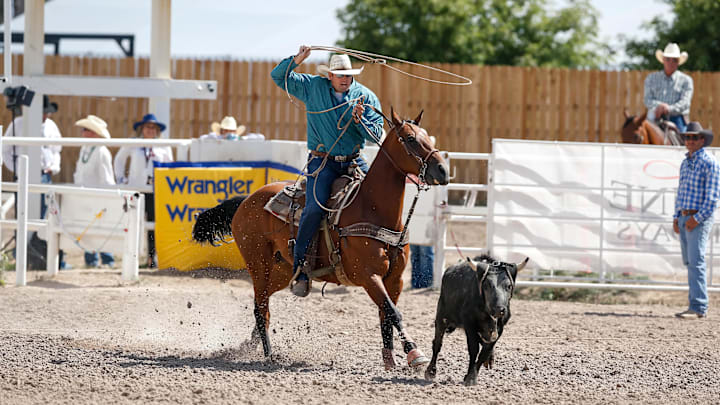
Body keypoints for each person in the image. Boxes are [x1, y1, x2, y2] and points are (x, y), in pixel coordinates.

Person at [271, 46, 384, 297]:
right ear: (329, 76)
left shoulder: (365, 97)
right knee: (313, 208)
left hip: (354, 160)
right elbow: (278, 77)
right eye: (340, 75)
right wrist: (296, 60)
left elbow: (378, 135)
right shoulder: (312, 87)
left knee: (379, 200)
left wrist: (361, 121)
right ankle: (300, 267)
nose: (345, 79)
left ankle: (381, 255)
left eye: (349, 75)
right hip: (322, 163)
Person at [114, 113, 174, 268]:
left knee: (152, 224)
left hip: (155, 190)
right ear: (142, 128)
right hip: (136, 189)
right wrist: (122, 179)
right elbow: (119, 160)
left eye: (154, 127)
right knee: (134, 222)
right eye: (148, 126)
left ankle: (151, 258)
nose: (150, 130)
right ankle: (131, 257)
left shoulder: (163, 145)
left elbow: (170, 165)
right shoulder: (134, 143)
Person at [673, 122, 719, 319]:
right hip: (685, 216)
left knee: (696, 261)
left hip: (697, 218)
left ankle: (698, 306)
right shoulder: (686, 163)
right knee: (690, 261)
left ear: (702, 140)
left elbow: (713, 198)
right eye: (687, 137)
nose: (689, 141)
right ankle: (696, 304)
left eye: (693, 137)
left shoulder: (710, 162)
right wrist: (677, 216)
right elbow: (681, 192)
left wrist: (696, 218)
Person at [2, 95, 62, 219]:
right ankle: (25, 237)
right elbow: (5, 150)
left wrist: (54, 167)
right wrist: (17, 169)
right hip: (24, 175)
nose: (45, 116)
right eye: (43, 113)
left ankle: (38, 237)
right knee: (23, 211)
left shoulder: (51, 125)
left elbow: (56, 150)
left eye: (47, 113)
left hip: (45, 175)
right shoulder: (18, 123)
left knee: (45, 214)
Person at [73, 115, 116, 268]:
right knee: (88, 227)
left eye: (85, 130)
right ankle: (91, 260)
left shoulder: (101, 151)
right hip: (86, 195)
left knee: (102, 227)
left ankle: (107, 260)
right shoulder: (85, 149)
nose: (82, 132)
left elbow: (106, 178)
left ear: (93, 133)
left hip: (99, 195)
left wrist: (107, 197)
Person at [643, 43, 693, 134]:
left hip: (677, 118)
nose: (671, 62)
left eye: (674, 60)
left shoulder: (686, 80)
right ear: (663, 60)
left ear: (678, 62)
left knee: (685, 143)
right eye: (668, 59)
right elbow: (647, 100)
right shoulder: (651, 78)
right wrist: (660, 107)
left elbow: (685, 103)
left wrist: (668, 108)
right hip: (655, 116)